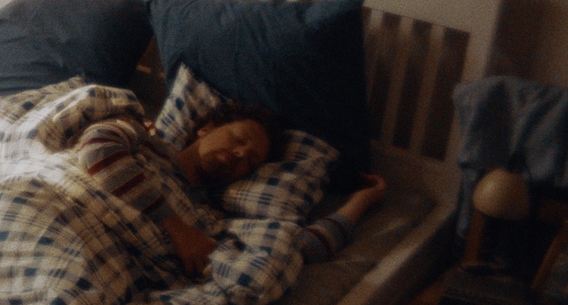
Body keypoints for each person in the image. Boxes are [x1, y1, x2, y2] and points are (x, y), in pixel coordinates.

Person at [76, 100, 387, 276]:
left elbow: (294, 249)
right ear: (206, 128)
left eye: (250, 161)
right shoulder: (147, 143)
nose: (240, 155)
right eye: (238, 139)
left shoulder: (212, 216)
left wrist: (360, 202)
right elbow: (98, 147)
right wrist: (177, 230)